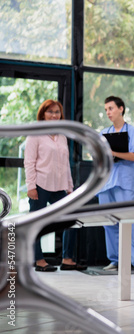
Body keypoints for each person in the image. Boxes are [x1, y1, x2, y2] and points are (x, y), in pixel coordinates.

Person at [24, 99, 86, 272]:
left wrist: (69, 187)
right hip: (40, 185)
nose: (54, 115)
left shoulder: (62, 136)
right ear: (43, 114)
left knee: (71, 219)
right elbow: (29, 162)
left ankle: (67, 259)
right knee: (36, 224)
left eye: (57, 112)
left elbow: (66, 164)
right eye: (50, 111)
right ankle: (39, 261)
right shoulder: (35, 134)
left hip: (60, 186)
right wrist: (31, 186)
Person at [98, 96, 134, 271]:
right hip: (106, 183)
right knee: (108, 222)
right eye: (106, 110)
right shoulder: (103, 133)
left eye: (111, 108)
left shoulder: (132, 131)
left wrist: (114, 152)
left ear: (121, 109)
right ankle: (115, 259)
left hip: (125, 182)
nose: (108, 112)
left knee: (130, 220)